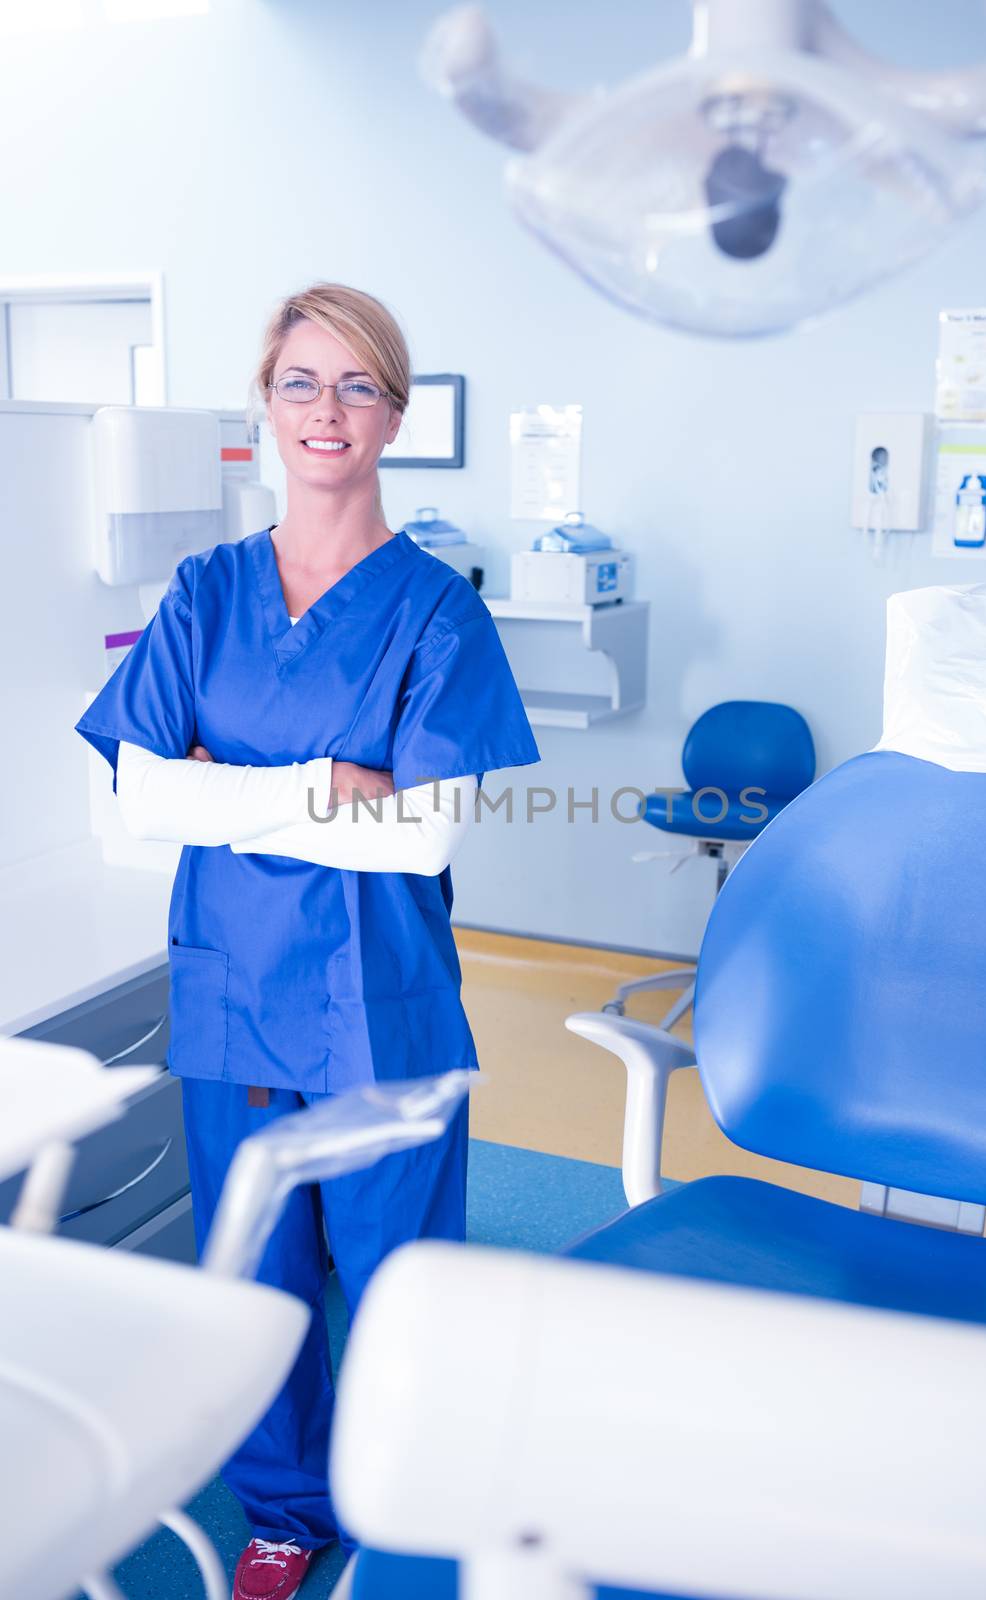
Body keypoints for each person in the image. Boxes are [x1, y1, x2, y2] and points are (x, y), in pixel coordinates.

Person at [74, 281, 541, 1599]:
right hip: (236, 994)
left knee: (401, 1277)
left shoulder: (437, 610)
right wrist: (335, 780)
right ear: (264, 407)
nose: (325, 412)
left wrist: (230, 787)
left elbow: (427, 838)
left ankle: (412, 1502)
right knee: (260, 1274)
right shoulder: (206, 591)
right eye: (299, 383)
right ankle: (285, 1513)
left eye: (355, 386)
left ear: (393, 413)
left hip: (380, 996)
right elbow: (133, 795)